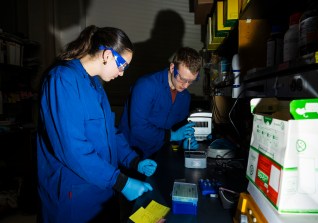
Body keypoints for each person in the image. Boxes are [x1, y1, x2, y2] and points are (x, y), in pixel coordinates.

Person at [36, 25, 157, 223]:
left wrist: (134, 161)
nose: (122, 73)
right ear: (107, 55)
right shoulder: (62, 79)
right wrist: (121, 182)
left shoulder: (94, 85)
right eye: (123, 66)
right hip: (73, 192)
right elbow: (72, 149)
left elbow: (112, 133)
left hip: (100, 187)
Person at [119, 46, 202, 159]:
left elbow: (178, 129)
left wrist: (185, 142)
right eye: (182, 79)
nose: (186, 85)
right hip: (132, 155)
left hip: (161, 155)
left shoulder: (185, 97)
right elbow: (138, 128)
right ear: (172, 68)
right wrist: (172, 135)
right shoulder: (146, 86)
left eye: (191, 81)